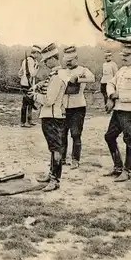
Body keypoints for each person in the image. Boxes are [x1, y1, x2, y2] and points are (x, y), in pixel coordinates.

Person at [104, 43, 131, 182]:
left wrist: (118, 95)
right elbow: (110, 83)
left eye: (127, 55)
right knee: (109, 137)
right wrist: (111, 96)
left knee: (129, 140)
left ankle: (128, 171)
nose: (123, 58)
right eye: (123, 55)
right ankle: (118, 167)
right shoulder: (121, 70)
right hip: (118, 110)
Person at [27, 43, 68, 191]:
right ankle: (52, 174)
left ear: (53, 59)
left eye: (46, 61)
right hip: (50, 115)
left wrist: (35, 96)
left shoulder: (57, 76)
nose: (45, 63)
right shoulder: (55, 75)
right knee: (53, 148)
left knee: (56, 149)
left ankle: (55, 180)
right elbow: (49, 88)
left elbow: (49, 100)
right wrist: (40, 85)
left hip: (52, 116)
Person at [59, 46, 95, 169]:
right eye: (66, 61)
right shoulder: (61, 71)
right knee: (62, 134)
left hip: (78, 106)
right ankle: (62, 158)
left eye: (71, 61)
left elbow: (92, 78)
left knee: (75, 134)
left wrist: (78, 78)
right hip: (63, 107)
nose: (68, 63)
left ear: (76, 58)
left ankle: (75, 159)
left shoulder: (83, 70)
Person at [18, 45, 42, 127]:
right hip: (29, 84)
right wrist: (37, 67)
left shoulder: (25, 60)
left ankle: (27, 121)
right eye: (38, 53)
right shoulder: (33, 62)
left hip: (25, 83)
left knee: (29, 103)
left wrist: (23, 78)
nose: (38, 55)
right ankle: (25, 122)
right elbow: (33, 73)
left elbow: (19, 73)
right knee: (27, 103)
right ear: (35, 53)